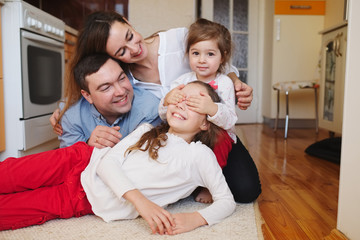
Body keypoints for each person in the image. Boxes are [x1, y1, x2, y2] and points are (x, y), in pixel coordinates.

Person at [51, 12, 261, 203]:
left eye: (129, 36)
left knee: (245, 190)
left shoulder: (179, 40)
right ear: (111, 58)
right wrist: (65, 108)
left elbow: (218, 61)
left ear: (127, 22)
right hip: (173, 139)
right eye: (122, 51)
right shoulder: (124, 79)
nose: (134, 48)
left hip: (211, 129)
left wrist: (235, 81)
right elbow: (94, 82)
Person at [0, 82, 236, 235]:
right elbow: (106, 164)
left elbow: (226, 201)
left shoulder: (199, 156)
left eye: (195, 102)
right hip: (80, 160)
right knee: (10, 173)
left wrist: (195, 219)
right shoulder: (146, 130)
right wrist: (142, 203)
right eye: (180, 97)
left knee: (10, 212)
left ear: (206, 122)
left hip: (80, 200)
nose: (183, 103)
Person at [158, 18, 238, 203]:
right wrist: (167, 101)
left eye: (210, 54)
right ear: (188, 54)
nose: (202, 60)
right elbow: (163, 114)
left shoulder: (225, 83)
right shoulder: (182, 81)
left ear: (222, 57)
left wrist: (211, 108)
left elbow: (230, 121)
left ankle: (209, 185)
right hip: (189, 131)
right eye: (195, 53)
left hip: (215, 133)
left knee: (220, 141)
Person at [58, 53, 161, 148]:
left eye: (122, 79)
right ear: (88, 96)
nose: (120, 92)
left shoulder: (150, 109)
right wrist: (87, 146)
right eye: (106, 88)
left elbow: (141, 161)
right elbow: (69, 162)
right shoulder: (71, 116)